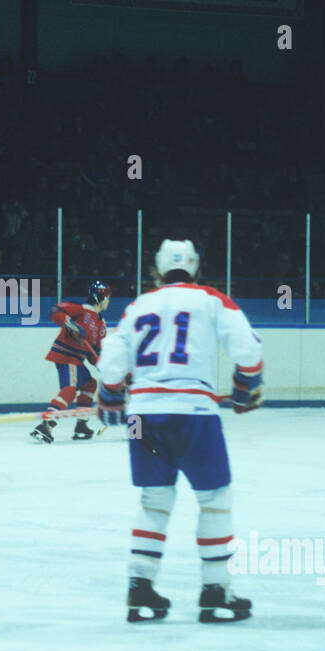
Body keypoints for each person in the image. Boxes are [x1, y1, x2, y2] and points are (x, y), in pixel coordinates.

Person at [97, 240, 263, 624]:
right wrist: (244, 389)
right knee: (215, 499)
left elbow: (111, 364)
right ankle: (216, 593)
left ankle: (140, 590)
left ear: (156, 272)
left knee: (154, 500)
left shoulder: (138, 306)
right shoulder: (211, 299)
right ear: (195, 269)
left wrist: (110, 400)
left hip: (142, 415)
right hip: (194, 414)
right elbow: (248, 352)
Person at [32, 281, 110, 443]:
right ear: (99, 298)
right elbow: (56, 311)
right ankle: (46, 424)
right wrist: (71, 324)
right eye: (107, 297)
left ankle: (81, 425)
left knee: (90, 384)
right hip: (67, 356)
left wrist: (104, 364)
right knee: (69, 390)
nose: (108, 301)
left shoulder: (101, 324)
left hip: (77, 360)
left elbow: (94, 352)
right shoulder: (81, 310)